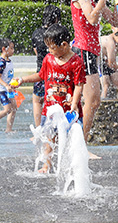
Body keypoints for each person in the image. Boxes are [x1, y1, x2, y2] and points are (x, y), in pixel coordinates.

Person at [17, 24, 85, 173]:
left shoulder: (76, 62)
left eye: (52, 47)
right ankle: (46, 165)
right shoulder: (49, 59)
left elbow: (79, 85)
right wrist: (23, 79)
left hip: (69, 110)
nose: (49, 51)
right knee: (48, 138)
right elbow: (41, 76)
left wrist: (74, 104)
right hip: (50, 109)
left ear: (65, 45)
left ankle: (70, 167)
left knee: (70, 140)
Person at [70, 0, 118, 143]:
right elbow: (92, 18)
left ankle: (77, 143)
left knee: (93, 102)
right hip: (82, 51)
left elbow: (115, 22)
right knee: (91, 101)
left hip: (91, 53)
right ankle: (79, 145)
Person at [31, 5, 62, 127]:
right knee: (56, 100)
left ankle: (39, 128)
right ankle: (55, 128)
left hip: (41, 72)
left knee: (37, 100)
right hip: (56, 72)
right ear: (56, 19)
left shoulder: (37, 33)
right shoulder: (57, 32)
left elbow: (36, 52)